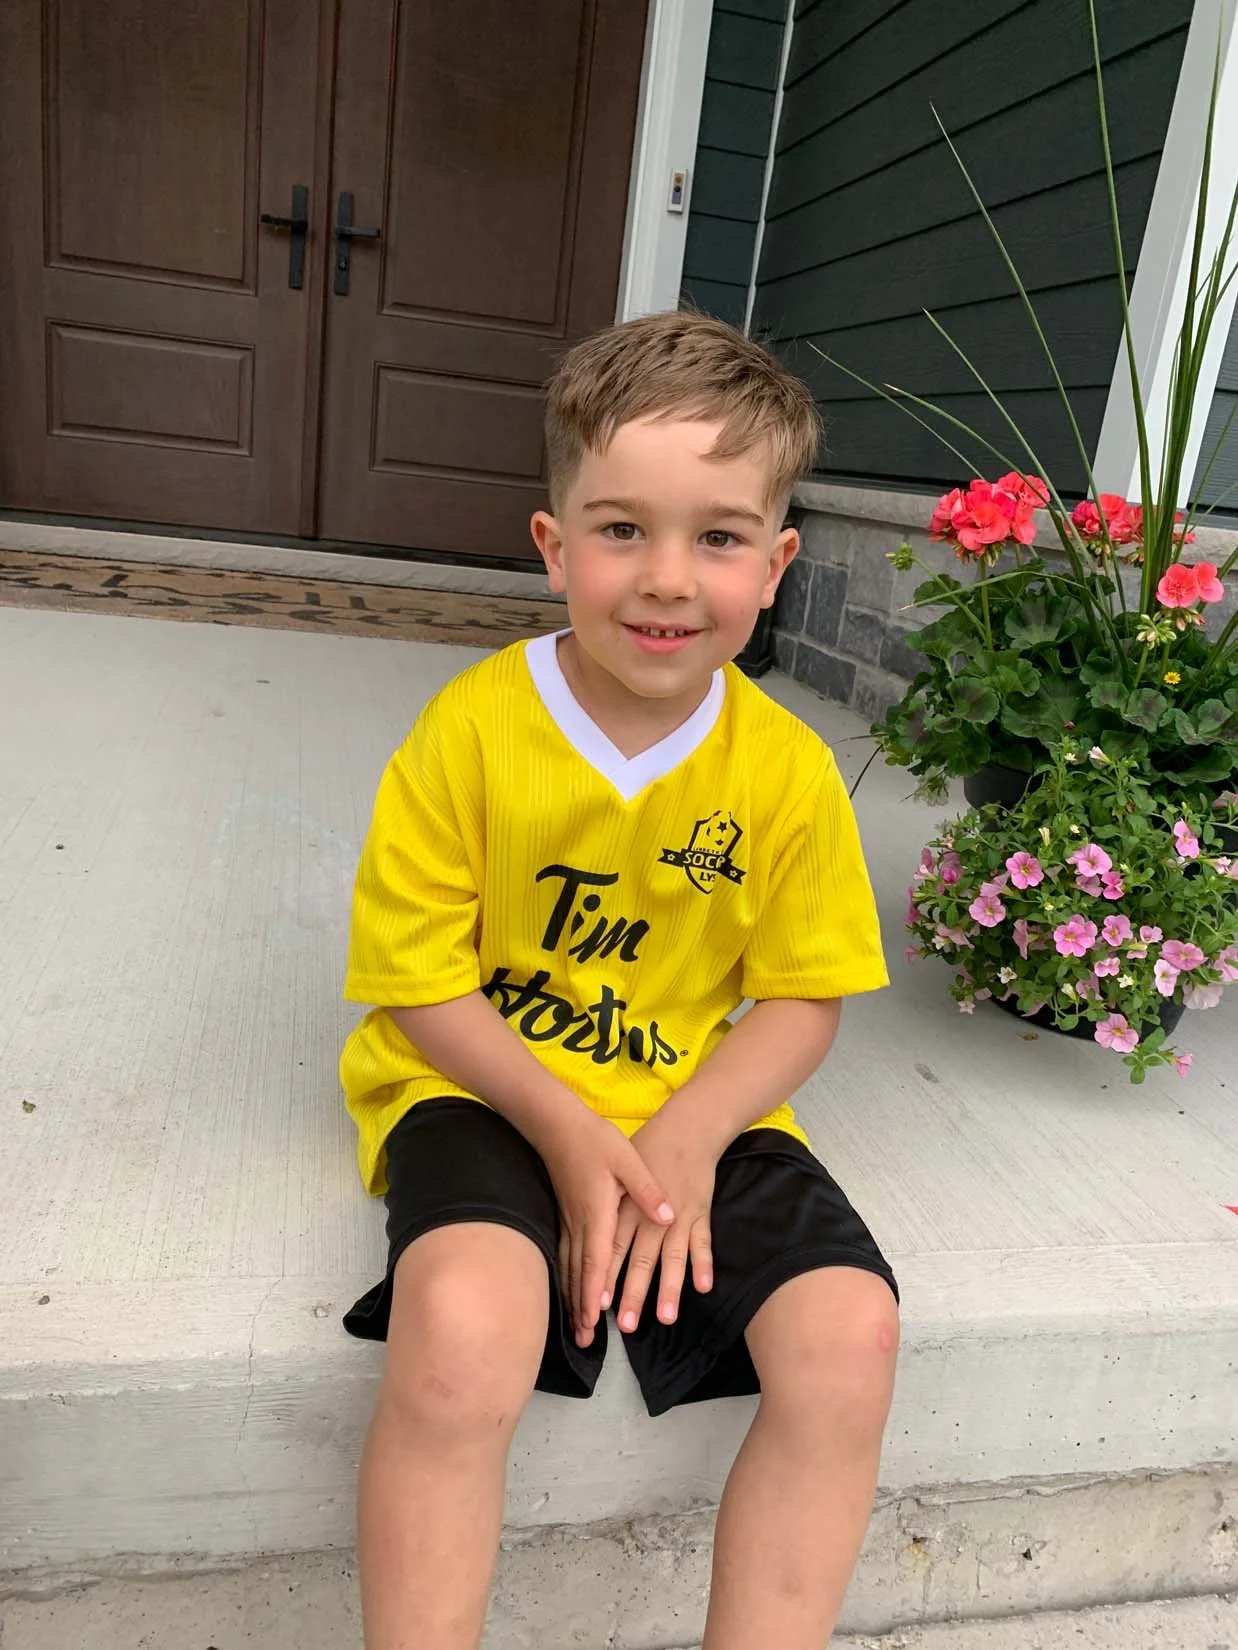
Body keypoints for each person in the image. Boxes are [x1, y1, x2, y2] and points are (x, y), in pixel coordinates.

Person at [340, 310, 899, 1650]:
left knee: (850, 1338)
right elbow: (417, 983)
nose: (663, 578)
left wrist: (685, 1140)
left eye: (714, 536)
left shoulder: (785, 769)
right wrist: (570, 1132)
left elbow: (799, 999)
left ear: (776, 566)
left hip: (694, 1099)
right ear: (552, 546)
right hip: (477, 1083)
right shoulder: (469, 732)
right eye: (619, 528)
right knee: (465, 1327)